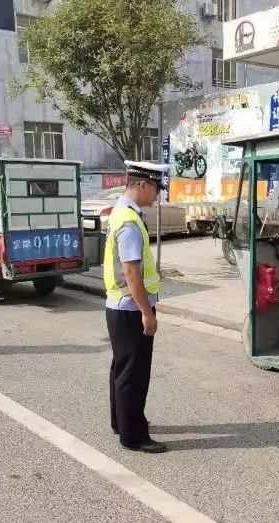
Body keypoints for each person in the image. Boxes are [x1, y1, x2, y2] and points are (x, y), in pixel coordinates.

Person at [104, 160, 168, 453]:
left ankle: (122, 421)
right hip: (131, 309)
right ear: (142, 184)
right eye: (155, 189)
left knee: (122, 367)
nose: (157, 196)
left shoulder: (120, 213)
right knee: (134, 372)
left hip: (118, 306)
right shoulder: (129, 221)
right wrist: (146, 312)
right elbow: (131, 271)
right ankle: (133, 435)